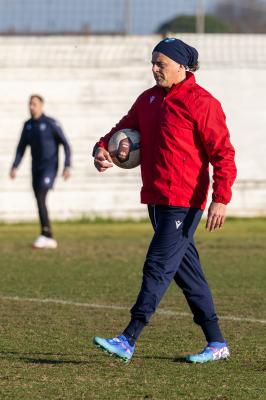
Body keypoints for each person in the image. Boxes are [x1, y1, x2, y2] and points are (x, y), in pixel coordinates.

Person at [92, 38, 237, 363]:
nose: (155, 68)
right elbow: (119, 131)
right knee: (188, 273)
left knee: (157, 266)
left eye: (162, 63)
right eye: (153, 62)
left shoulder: (202, 102)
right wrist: (101, 150)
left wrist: (221, 198)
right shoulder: (149, 99)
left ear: (182, 67)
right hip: (156, 200)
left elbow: (223, 154)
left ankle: (129, 338)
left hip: (185, 203)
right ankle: (216, 343)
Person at [10, 94, 71, 249]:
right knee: (38, 199)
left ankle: (46, 235)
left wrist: (67, 165)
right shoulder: (28, 125)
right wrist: (15, 166)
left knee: (41, 196)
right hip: (35, 168)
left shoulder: (51, 123)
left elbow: (66, 144)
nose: (31, 107)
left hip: (49, 168)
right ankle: (46, 235)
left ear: (41, 106)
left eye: (34, 104)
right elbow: (21, 148)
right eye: (30, 104)